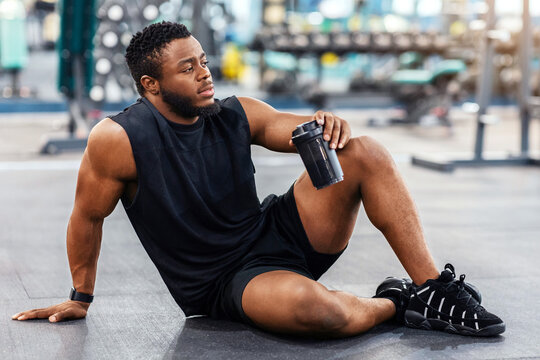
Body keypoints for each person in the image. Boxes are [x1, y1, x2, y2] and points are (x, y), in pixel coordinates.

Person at [12, 22, 504, 338]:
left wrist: (324, 127)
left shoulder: (234, 112)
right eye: (189, 68)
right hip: (226, 282)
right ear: (151, 84)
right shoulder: (119, 137)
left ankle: (431, 287)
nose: (206, 74)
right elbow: (87, 215)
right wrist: (81, 297)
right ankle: (395, 301)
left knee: (361, 152)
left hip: (278, 235)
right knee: (318, 312)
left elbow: (285, 127)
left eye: (204, 61)